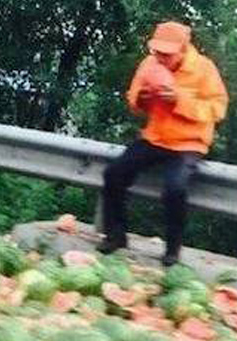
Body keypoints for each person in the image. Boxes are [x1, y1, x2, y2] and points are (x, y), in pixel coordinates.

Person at [97, 21, 228, 266]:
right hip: (155, 138)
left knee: (175, 188)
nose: (161, 58)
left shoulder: (204, 69)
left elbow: (217, 109)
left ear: (183, 49)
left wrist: (178, 99)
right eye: (157, 52)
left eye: (167, 54)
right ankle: (115, 236)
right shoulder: (149, 64)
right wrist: (142, 98)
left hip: (189, 143)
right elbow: (133, 100)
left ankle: (172, 249)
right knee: (113, 173)